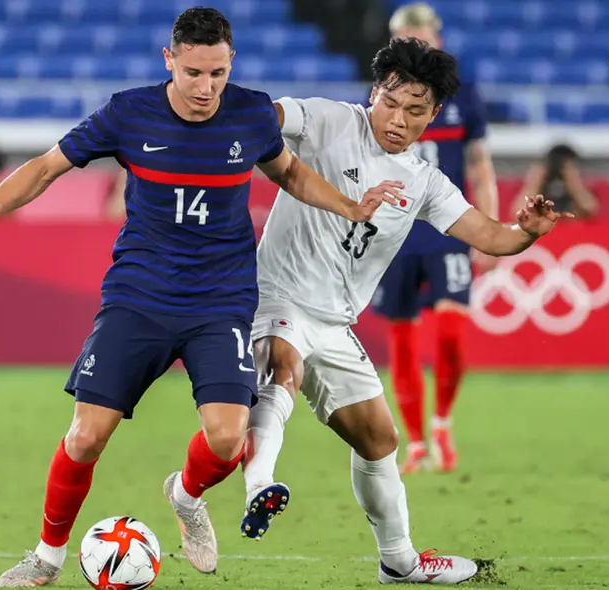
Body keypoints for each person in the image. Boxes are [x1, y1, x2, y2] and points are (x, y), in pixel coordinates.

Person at [0, 8, 392, 588]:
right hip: (140, 296)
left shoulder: (252, 112)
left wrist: (348, 205)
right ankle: (46, 557)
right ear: (169, 61)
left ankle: (186, 495)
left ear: (231, 64)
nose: (206, 88)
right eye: (194, 73)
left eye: (218, 73)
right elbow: (48, 166)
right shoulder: (128, 112)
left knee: (228, 439)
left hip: (222, 301)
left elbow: (289, 172)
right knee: (86, 435)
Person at [237, 38, 572, 585]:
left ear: (433, 114)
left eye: (415, 110)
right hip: (278, 294)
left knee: (379, 439)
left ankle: (399, 561)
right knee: (283, 368)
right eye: (390, 103)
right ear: (374, 92)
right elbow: (266, 114)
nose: (398, 120)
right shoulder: (328, 119)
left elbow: (491, 236)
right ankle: (260, 486)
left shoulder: (423, 182)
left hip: (335, 322)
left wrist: (526, 232)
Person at [371, 2, 500, 474]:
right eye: (407, 38)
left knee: (449, 331)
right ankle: (417, 442)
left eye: (422, 36)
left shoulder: (463, 95)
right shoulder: (380, 95)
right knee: (402, 338)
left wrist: (489, 228)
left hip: (449, 227)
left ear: (436, 38)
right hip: (395, 233)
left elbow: (479, 164)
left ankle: (442, 421)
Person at [517, 144, 599, 219]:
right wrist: (534, 184)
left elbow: (590, 209)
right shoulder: (540, 183)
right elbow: (520, 213)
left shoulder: (582, 184)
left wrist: (574, 182)